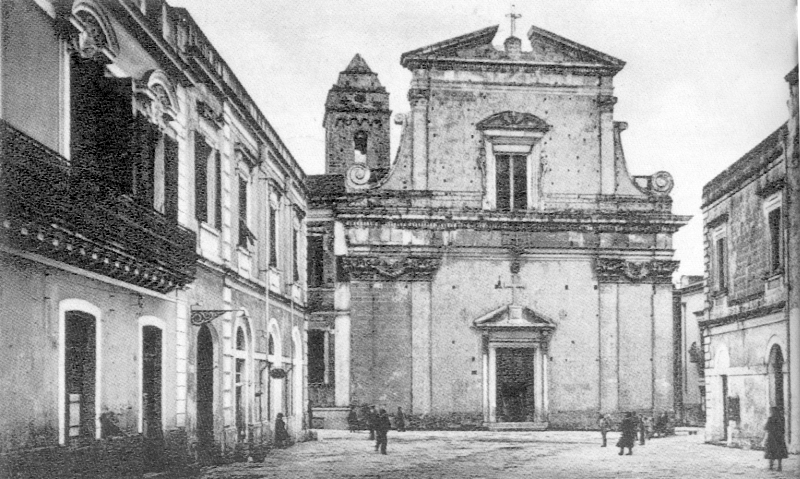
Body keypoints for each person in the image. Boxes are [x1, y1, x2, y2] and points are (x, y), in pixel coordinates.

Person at [764, 407, 788, 471]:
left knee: (771, 452)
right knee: (779, 452)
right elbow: (783, 429)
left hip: (772, 437)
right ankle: (779, 466)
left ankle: (771, 466)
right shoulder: (782, 418)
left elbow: (766, 428)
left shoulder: (770, 418)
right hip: (779, 437)